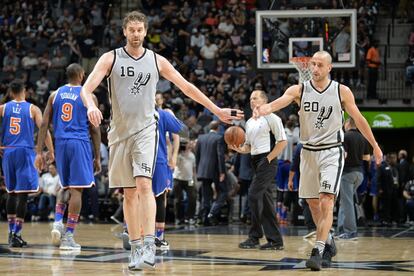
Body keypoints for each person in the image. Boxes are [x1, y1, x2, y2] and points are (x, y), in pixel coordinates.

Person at [79, 11, 243, 271]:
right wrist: (90, 106)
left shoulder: (157, 61)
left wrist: (217, 110)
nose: (135, 34)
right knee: (129, 194)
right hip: (119, 133)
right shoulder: (110, 58)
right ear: (124, 32)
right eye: (131, 30)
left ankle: (148, 243)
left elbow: (187, 86)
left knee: (144, 185)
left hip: (146, 131)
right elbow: (86, 89)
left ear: (145, 32)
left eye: (139, 30)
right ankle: (135, 246)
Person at [254, 51, 383, 271]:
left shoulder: (341, 91)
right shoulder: (299, 90)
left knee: (326, 200)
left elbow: (359, 120)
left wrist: (376, 146)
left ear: (329, 68)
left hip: (332, 151)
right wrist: (263, 108)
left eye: (320, 65)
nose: (315, 69)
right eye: (313, 64)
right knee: (313, 204)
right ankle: (329, 242)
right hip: (308, 153)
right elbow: (277, 103)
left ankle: (318, 249)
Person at [35, 63, 101, 250]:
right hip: (79, 142)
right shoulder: (88, 95)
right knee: (77, 190)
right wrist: (96, 156)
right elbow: (95, 130)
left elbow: (44, 124)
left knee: (65, 186)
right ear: (81, 75)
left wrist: (39, 152)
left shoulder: (54, 95)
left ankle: (57, 222)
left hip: (61, 143)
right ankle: (69, 236)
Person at [230, 90, 286, 251]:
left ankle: (254, 236)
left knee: (254, 195)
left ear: (264, 100)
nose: (251, 101)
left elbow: (282, 142)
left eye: (255, 98)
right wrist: (240, 150)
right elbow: (249, 146)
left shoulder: (272, 117)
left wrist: (268, 159)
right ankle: (276, 241)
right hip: (255, 160)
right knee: (266, 202)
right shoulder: (249, 122)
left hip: (268, 160)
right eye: (250, 98)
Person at [1, 80, 53, 247]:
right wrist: (50, 150)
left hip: (8, 151)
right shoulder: (32, 108)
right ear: (25, 91)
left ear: (10, 92)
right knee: (23, 195)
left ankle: (11, 233)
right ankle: (17, 233)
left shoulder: (3, 108)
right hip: (24, 151)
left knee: (11, 192)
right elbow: (43, 129)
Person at [153, 108, 183, 250]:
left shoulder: (135, 110)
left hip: (140, 159)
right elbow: (181, 130)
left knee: (138, 197)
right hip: (158, 160)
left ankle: (133, 233)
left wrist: (174, 156)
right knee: (159, 197)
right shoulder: (164, 114)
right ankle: (158, 237)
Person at [336, 117, 370, 240]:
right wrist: (356, 156)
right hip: (359, 174)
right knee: (345, 201)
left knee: (348, 202)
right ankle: (341, 229)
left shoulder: (345, 136)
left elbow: (343, 155)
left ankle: (351, 232)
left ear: (348, 123)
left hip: (347, 174)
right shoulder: (362, 137)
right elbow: (367, 158)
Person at [195, 121, 227, 226]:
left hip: (202, 170)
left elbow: (197, 155)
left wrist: (198, 170)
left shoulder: (201, 137)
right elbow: (220, 156)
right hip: (214, 170)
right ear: (218, 128)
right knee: (223, 192)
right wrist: (222, 171)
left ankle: (205, 218)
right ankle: (212, 213)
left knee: (206, 196)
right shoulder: (219, 138)